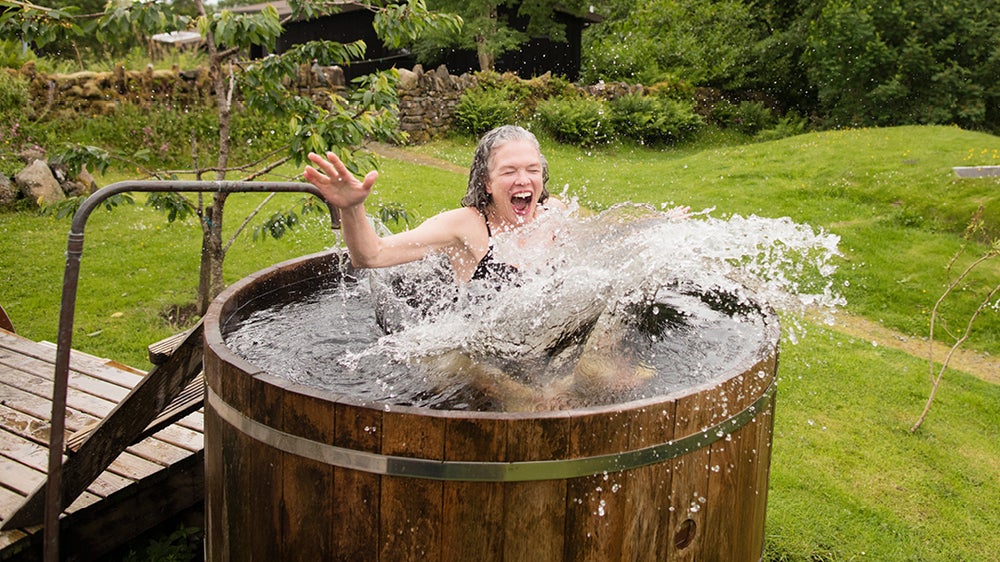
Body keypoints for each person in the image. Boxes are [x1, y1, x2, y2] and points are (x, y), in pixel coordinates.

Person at [304, 125, 567, 285]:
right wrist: (351, 208)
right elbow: (372, 256)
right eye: (509, 172)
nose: (523, 180)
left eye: (532, 170)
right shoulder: (463, 225)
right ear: (487, 182)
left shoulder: (554, 214)